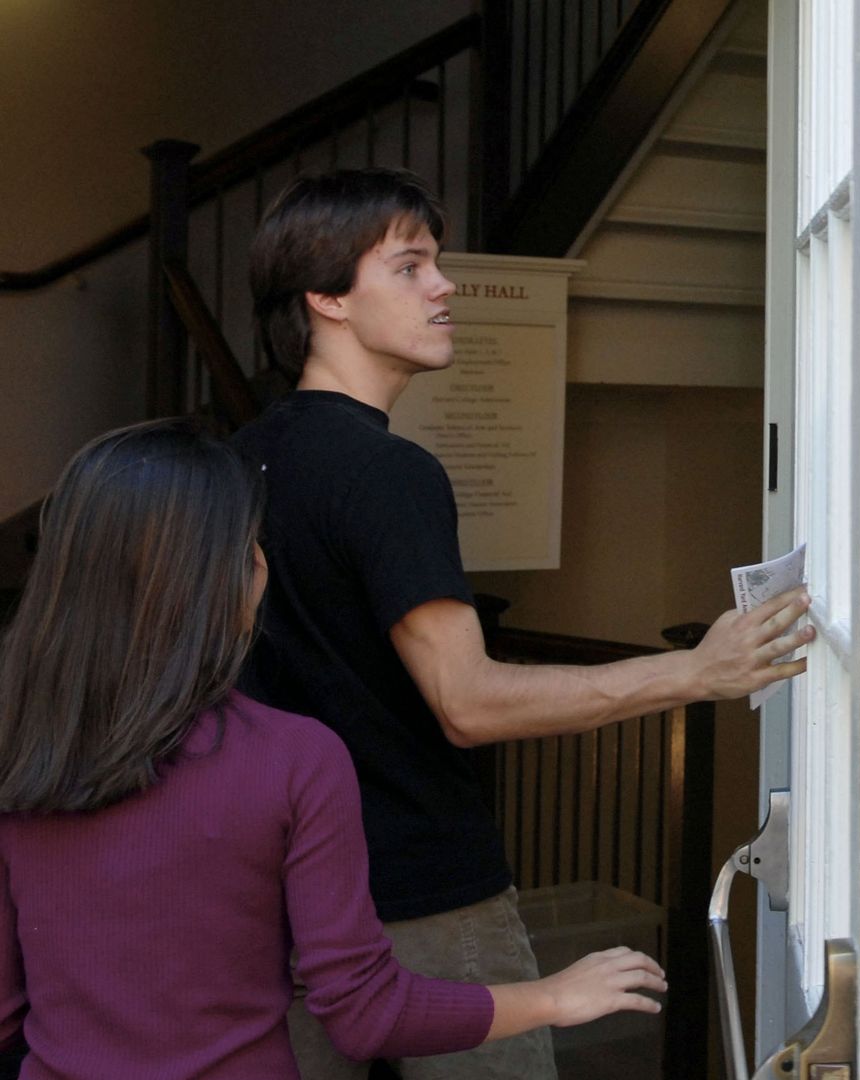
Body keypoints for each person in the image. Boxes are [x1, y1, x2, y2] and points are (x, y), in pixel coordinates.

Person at [236, 168, 810, 1078]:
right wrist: (694, 671)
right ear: (326, 296)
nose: (444, 286)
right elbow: (468, 701)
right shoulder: (390, 473)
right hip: (421, 899)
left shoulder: (239, 461)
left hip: (277, 896)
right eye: (411, 267)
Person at [0, 420, 669, 1078]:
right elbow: (364, 1009)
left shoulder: (18, 748)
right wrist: (551, 997)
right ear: (233, 575)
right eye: (250, 543)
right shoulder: (292, 759)